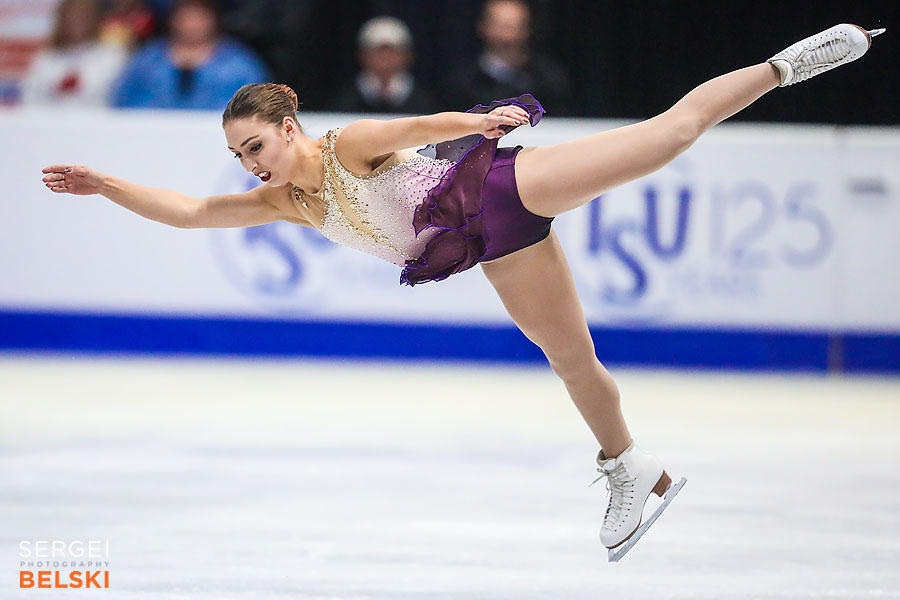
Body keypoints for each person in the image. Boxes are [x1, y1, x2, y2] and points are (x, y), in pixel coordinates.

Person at [41, 24, 885, 554]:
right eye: (240, 155)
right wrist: (107, 186)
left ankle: (783, 63)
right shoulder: (282, 202)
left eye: (255, 145)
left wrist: (479, 124)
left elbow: (416, 127)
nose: (249, 163)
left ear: (287, 128)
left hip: (499, 192)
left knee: (664, 136)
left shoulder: (347, 146)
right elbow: (190, 213)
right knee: (569, 360)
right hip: (490, 249)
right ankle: (633, 467)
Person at [110, 0, 269, 110]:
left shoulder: (238, 61)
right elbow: (121, 99)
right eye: (185, 17)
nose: (191, 25)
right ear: (173, 20)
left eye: (199, 17)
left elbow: (257, 105)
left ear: (213, 19)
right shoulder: (149, 58)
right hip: (150, 136)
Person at [448, 0, 570, 115]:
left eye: (516, 27)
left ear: (528, 29)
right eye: (502, 27)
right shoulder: (462, 81)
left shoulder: (549, 80)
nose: (508, 36)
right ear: (483, 27)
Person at [20, 0, 128, 108]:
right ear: (61, 21)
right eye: (71, 17)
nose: (77, 22)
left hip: (95, 120)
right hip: (48, 121)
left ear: (95, 20)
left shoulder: (112, 56)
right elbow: (30, 96)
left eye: (83, 17)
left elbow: (117, 96)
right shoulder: (46, 58)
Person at [332, 16, 440, 115]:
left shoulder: (423, 103)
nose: (385, 59)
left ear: (407, 56)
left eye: (392, 52)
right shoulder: (345, 101)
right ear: (362, 56)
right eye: (378, 52)